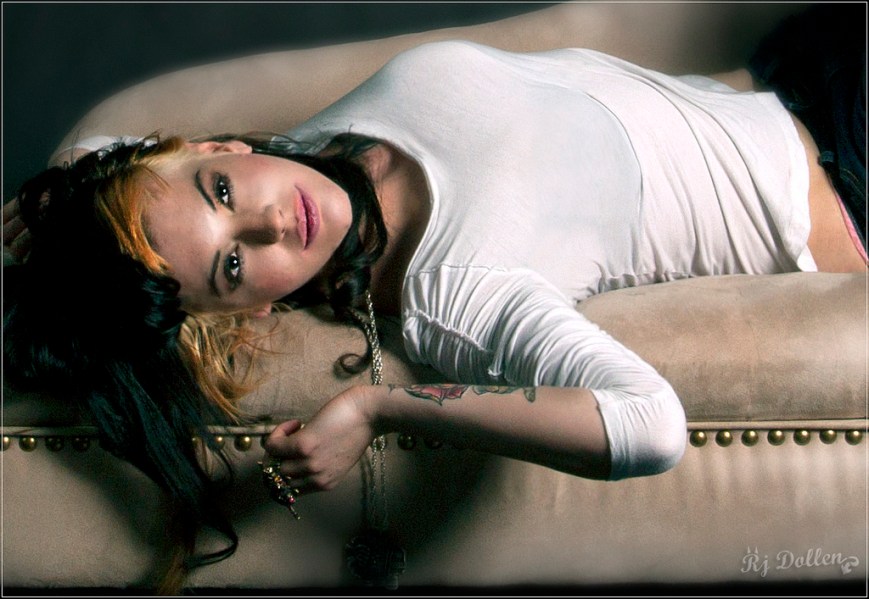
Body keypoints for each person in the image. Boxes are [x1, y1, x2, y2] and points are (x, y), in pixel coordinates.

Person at [3, 2, 865, 592]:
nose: (268, 223)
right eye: (234, 266)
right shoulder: (455, 291)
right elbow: (648, 424)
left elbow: (123, 159)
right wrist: (379, 405)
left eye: (224, 190)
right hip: (850, 184)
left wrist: (51, 208)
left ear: (221, 148)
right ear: (253, 310)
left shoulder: (318, 149)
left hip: (799, 71)